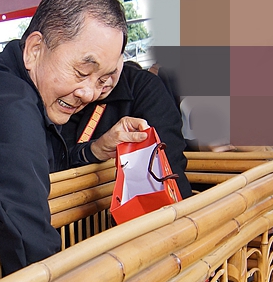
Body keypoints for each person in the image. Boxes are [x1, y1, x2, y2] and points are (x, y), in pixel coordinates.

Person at [0, 0, 149, 277]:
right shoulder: (8, 109)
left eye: (102, 80)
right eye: (82, 72)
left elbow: (41, 171)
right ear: (34, 50)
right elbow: (33, 253)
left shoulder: (18, 89)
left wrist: (95, 150)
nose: (89, 93)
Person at [62, 60, 193, 198]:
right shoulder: (60, 93)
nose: (104, 78)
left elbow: (170, 163)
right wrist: (92, 151)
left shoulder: (144, 87)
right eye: (84, 71)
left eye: (114, 62)